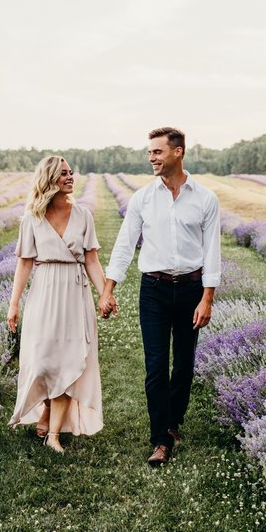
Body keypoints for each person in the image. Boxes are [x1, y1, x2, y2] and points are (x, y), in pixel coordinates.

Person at [100, 127, 221, 467]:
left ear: (178, 152)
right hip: (152, 289)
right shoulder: (142, 199)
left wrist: (207, 298)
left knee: (184, 364)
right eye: (149, 152)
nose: (151, 157)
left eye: (157, 152)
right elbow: (125, 245)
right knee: (155, 366)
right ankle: (161, 440)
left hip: (191, 289)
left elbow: (212, 251)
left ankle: (173, 421)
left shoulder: (205, 199)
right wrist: (109, 289)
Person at [7, 156, 105, 453]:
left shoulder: (83, 215)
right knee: (42, 360)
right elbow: (24, 263)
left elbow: (91, 259)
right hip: (45, 290)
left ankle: (53, 435)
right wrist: (14, 305)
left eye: (71, 172)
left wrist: (105, 294)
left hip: (75, 292)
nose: (70, 177)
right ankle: (47, 408)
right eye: (63, 173)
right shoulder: (32, 218)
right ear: (50, 179)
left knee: (69, 358)